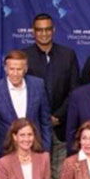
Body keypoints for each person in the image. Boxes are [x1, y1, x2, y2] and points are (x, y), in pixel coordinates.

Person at [21, 13, 80, 167]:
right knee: (37, 175)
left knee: (60, 177)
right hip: (34, 128)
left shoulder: (68, 55)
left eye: (47, 29)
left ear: (53, 30)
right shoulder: (24, 56)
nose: (44, 33)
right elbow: (21, 91)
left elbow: (74, 90)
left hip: (62, 126)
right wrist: (43, 118)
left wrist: (57, 116)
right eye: (39, 30)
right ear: (33, 32)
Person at [0, 49, 51, 156]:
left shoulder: (38, 85)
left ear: (25, 69)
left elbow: (45, 121)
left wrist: (46, 150)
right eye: (12, 69)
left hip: (35, 150)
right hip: (6, 152)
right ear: (5, 69)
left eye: (19, 69)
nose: (15, 73)